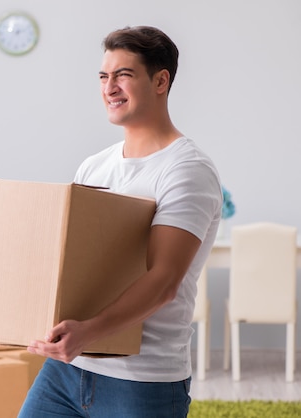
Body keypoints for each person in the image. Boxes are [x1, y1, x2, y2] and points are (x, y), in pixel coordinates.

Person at [19, 26, 222, 418]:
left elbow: (163, 281)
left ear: (161, 81)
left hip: (142, 379)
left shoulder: (187, 170)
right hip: (67, 371)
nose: (109, 87)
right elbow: (68, 265)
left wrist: (88, 333)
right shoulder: (94, 165)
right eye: (103, 76)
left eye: (123, 75)